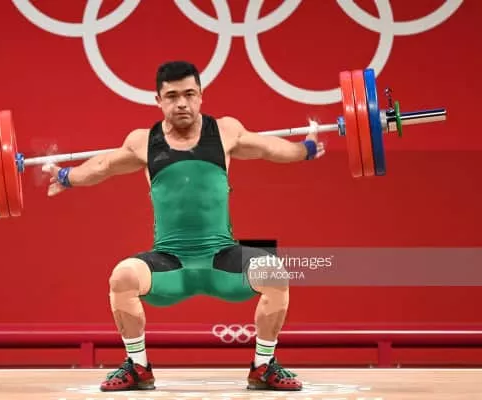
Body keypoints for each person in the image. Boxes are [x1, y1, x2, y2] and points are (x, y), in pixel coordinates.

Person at [42, 61, 325, 392]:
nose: (182, 103)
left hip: (221, 259)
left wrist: (306, 149)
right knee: (122, 277)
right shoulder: (143, 141)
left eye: (189, 94)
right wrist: (66, 177)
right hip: (170, 263)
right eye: (172, 96)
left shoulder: (224, 131)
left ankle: (263, 367)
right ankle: (138, 367)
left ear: (201, 96)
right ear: (158, 100)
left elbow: (269, 148)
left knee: (274, 272)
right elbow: (103, 166)